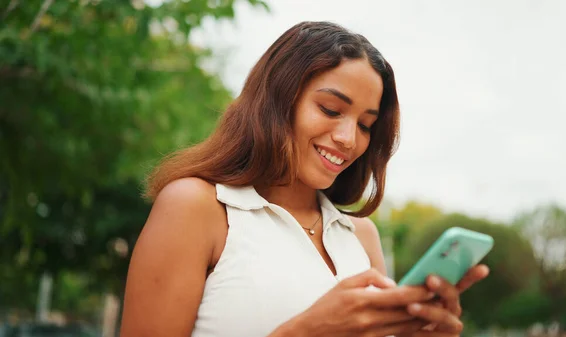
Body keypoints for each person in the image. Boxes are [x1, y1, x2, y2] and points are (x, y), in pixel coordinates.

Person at [119, 21, 489, 337]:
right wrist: (305, 331)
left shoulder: (362, 236)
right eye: (330, 109)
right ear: (278, 99)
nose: (349, 138)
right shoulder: (197, 206)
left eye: (365, 125)